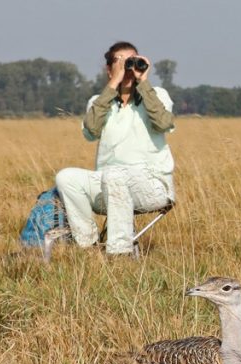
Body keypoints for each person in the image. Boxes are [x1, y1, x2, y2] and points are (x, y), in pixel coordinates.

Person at [55, 41, 176, 256]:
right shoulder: (98, 101)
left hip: (151, 185)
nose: (127, 68)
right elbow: (90, 132)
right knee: (66, 177)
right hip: (108, 183)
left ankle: (119, 254)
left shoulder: (157, 94)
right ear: (109, 69)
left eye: (132, 61)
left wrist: (143, 83)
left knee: (114, 175)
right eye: (120, 62)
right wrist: (113, 85)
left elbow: (163, 123)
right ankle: (88, 247)